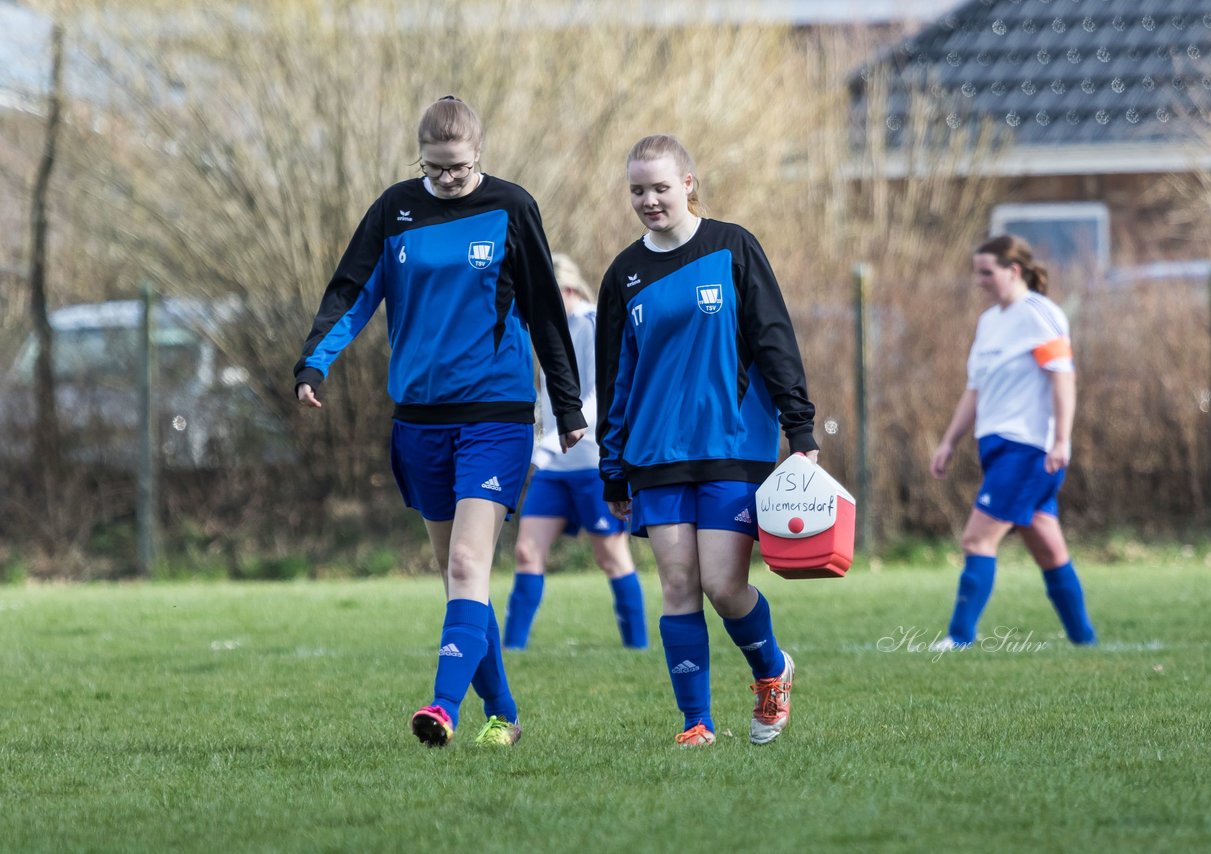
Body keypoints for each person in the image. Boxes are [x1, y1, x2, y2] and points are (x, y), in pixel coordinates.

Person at [293, 95, 586, 748]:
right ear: (419, 158)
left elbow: (544, 312)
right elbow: (353, 290)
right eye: (434, 168)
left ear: (478, 153)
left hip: (496, 414)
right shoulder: (395, 211)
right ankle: (504, 715)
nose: (446, 180)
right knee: (460, 580)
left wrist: (566, 407)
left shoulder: (512, 208)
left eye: (456, 168)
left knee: (465, 563)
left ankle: (442, 708)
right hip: (420, 422)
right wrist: (314, 364)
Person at [596, 134, 819, 747]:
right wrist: (611, 468)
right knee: (676, 584)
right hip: (654, 455)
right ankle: (696, 723)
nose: (649, 200)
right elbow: (614, 376)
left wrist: (800, 428)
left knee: (723, 585)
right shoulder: (624, 274)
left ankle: (772, 673)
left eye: (660, 187)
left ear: (688, 183)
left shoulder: (733, 247)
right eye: (637, 190)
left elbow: (775, 340)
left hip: (733, 446)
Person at [928, 234, 1097, 651]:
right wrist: (949, 441)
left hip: (1030, 449)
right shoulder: (990, 322)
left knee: (976, 539)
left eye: (987, 272)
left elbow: (1063, 376)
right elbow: (975, 390)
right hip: (997, 446)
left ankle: (959, 638)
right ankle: (1085, 641)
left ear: (1013, 270)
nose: (980, 281)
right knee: (1049, 548)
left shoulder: (1040, 314)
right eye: (977, 273)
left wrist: (1060, 439)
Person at [504, 254, 648, 651]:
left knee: (611, 557)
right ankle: (512, 650)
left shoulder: (590, 323)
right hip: (554, 467)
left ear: (565, 289)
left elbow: (598, 397)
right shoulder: (553, 328)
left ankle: (637, 648)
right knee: (526, 551)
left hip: (591, 465)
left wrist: (545, 445)